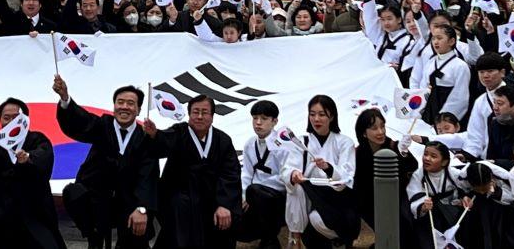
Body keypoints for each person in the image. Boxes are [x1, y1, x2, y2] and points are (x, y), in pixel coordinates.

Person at [54, 76, 156, 249]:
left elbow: (148, 177)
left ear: (138, 110)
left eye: (130, 103)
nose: (124, 107)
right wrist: (65, 99)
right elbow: (81, 120)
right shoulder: (102, 125)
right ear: (114, 105)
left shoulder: (146, 138)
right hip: (97, 198)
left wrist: (142, 208)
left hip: (128, 203)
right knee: (73, 193)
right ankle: (93, 235)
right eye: (120, 102)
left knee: (136, 237)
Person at [140, 95, 242, 249]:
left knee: (224, 217)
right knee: (180, 209)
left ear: (212, 116)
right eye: (195, 112)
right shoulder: (179, 132)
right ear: (189, 114)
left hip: (213, 197)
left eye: (204, 112)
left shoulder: (223, 140)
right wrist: (154, 135)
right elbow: (162, 143)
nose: (199, 116)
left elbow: (230, 174)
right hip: (180, 195)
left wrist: (225, 204)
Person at [0, 98, 64, 249]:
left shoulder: (38, 139)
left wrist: (28, 159)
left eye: (16, 118)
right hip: (2, 208)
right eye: (6, 118)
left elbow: (43, 158)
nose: (11, 122)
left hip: (34, 209)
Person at [281, 94, 359, 248]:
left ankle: (340, 240)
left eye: (322, 114)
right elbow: (288, 167)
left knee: (317, 218)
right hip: (310, 196)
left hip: (336, 198)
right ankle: (295, 239)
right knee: (296, 190)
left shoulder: (344, 142)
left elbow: (346, 176)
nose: (316, 119)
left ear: (332, 117)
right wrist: (293, 174)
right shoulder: (301, 142)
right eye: (312, 114)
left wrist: (328, 168)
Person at [352, 108, 416, 249]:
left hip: (397, 198)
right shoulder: (359, 153)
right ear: (364, 132)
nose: (380, 132)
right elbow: (359, 185)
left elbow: (413, 166)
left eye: (382, 126)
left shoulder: (394, 145)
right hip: (371, 203)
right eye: (374, 128)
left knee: (403, 230)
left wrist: (403, 153)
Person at [235, 100, 287, 249]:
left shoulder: (283, 144)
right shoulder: (250, 144)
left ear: (274, 121)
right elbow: (246, 173)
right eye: (255, 118)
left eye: (264, 119)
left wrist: (256, 189)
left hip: (278, 198)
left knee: (255, 191)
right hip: (253, 197)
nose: (258, 123)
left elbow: (285, 177)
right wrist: (244, 196)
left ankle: (270, 239)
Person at [406, 141, 467, 249]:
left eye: (433, 156)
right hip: (430, 217)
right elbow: (414, 194)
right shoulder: (418, 175)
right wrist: (423, 206)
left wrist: (465, 198)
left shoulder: (453, 172)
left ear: (444, 162)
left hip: (452, 215)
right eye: (425, 154)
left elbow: (466, 188)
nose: (427, 158)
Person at [411, 24, 471, 123]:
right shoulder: (430, 62)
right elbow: (422, 87)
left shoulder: (460, 65)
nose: (435, 42)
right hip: (428, 111)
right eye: (433, 38)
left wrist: (443, 120)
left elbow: (460, 97)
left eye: (439, 38)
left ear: (451, 41)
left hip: (446, 113)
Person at [359, 0, 414, 84]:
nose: (386, 23)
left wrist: (400, 68)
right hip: (379, 80)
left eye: (389, 19)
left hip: (400, 81)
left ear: (398, 19)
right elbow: (370, 18)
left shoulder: (409, 41)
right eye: (383, 20)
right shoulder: (380, 37)